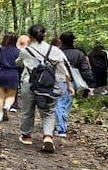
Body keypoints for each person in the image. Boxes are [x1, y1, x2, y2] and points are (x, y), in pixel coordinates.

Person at [16, 24, 73, 153]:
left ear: (30, 36)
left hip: (29, 83)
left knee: (28, 110)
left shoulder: (26, 51)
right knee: (49, 111)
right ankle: (48, 137)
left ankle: (26, 136)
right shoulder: (55, 50)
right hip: (49, 85)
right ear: (45, 35)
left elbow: (18, 62)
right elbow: (63, 69)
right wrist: (68, 85)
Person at [55, 32, 95, 138]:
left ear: (61, 41)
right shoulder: (79, 54)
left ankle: (60, 127)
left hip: (56, 80)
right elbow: (85, 69)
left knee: (58, 104)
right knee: (66, 104)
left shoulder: (55, 52)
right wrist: (91, 83)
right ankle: (62, 127)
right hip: (71, 82)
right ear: (73, 41)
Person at [0, 32, 20, 122]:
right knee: (11, 95)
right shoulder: (18, 51)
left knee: (0, 96)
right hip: (13, 74)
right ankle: (6, 106)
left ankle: (0, 114)